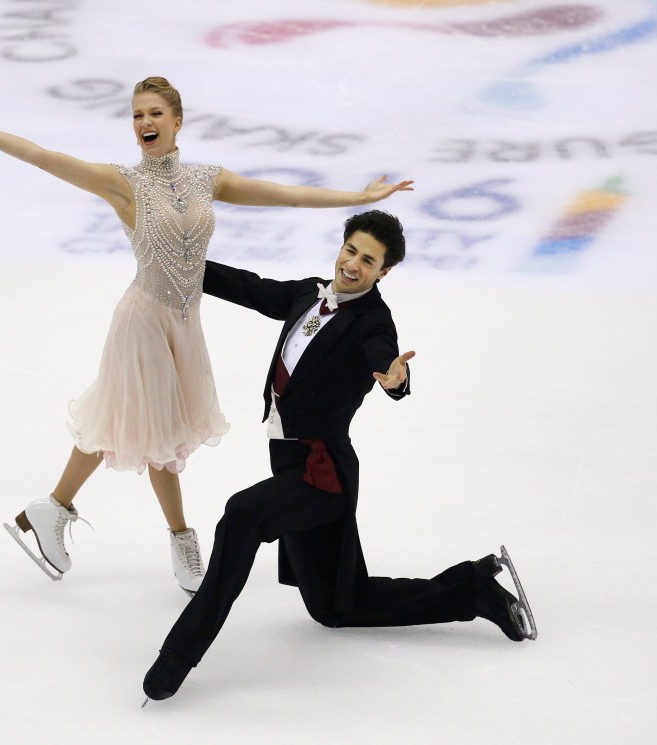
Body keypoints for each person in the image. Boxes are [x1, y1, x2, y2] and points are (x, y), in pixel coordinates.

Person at [0, 77, 414, 593]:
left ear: (177, 121)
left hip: (184, 325)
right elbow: (43, 156)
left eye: (155, 113)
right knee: (154, 431)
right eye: (137, 115)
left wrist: (358, 196)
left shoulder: (207, 178)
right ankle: (179, 536)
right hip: (143, 319)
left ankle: (52, 509)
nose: (145, 124)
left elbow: (285, 197)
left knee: (128, 421)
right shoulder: (123, 183)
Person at [142, 210, 537, 702]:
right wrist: (178, 262)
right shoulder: (307, 294)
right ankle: (474, 590)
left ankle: (177, 656)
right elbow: (249, 286)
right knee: (336, 605)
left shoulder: (373, 321)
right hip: (290, 464)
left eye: (368, 261)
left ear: (383, 272)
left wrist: (395, 378)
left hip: (321, 474)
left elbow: (383, 354)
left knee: (241, 516)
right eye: (351, 250)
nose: (353, 265)